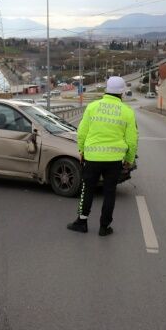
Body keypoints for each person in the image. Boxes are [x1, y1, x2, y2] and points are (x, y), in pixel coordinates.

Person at [67, 76, 138, 236]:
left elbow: (82, 132)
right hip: (114, 161)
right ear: (122, 93)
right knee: (109, 193)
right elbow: (132, 141)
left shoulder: (92, 107)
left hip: (92, 158)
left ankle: (82, 222)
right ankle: (104, 227)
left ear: (106, 90)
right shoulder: (127, 112)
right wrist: (129, 160)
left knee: (87, 189)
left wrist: (81, 151)